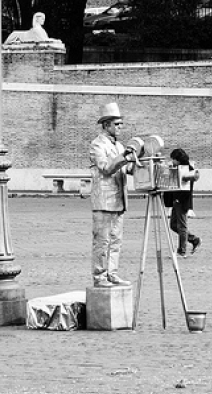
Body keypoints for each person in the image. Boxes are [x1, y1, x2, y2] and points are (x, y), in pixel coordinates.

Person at [89, 102, 138, 288]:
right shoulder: (97, 145)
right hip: (104, 200)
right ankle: (100, 276)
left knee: (116, 240)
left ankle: (112, 272)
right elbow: (107, 168)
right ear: (106, 125)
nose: (120, 127)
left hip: (119, 200)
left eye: (120, 124)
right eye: (116, 124)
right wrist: (124, 157)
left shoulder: (120, 146)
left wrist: (137, 161)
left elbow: (127, 168)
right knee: (102, 241)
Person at [163, 149, 201, 257]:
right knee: (174, 225)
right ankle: (194, 239)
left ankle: (182, 250)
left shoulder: (188, 170)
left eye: (173, 159)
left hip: (182, 200)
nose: (172, 162)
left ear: (178, 159)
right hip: (176, 199)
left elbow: (186, 187)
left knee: (182, 226)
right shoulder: (179, 168)